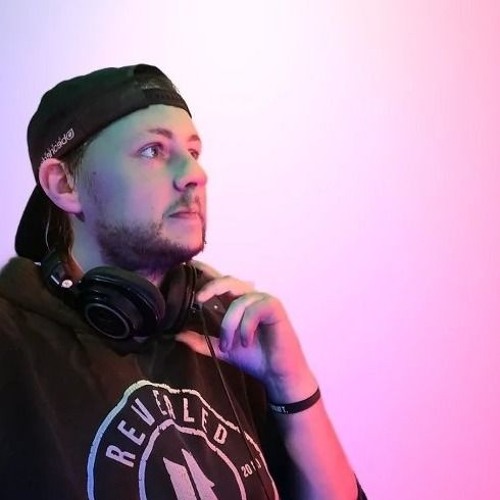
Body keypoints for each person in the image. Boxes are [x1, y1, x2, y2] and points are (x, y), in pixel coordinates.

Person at [0, 64, 367, 499]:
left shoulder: (228, 332)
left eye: (194, 151)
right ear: (65, 184)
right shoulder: (13, 344)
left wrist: (291, 386)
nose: (195, 173)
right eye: (152, 150)